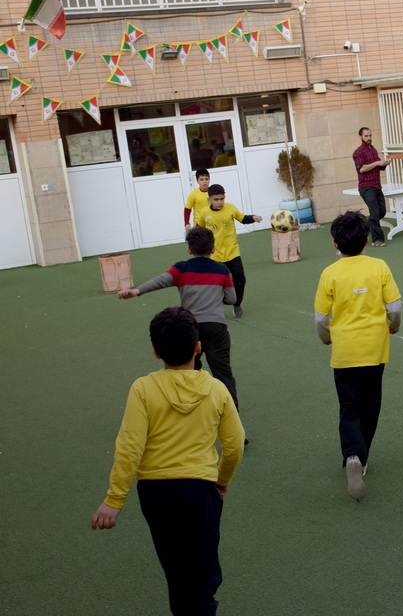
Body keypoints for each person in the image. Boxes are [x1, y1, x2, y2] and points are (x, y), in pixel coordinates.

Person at [90, 306, 244, 615]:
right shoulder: (217, 389)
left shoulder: (143, 388)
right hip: (201, 491)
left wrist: (114, 499)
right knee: (202, 577)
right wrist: (222, 480)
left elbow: (129, 447)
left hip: (156, 494)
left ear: (155, 353)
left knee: (177, 571)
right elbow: (235, 444)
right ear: (198, 347)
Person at [314, 210, 402, 500]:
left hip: (344, 351)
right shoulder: (379, 266)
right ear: (367, 239)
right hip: (375, 350)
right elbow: (395, 308)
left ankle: (352, 455)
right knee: (371, 404)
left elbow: (320, 318)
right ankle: (361, 459)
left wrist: (327, 338)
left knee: (349, 406)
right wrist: (392, 326)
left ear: (334, 244)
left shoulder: (329, 273)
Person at [117, 227, 240, 411]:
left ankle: (191, 413)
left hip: (190, 329)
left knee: (188, 375)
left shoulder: (181, 268)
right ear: (213, 248)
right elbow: (232, 299)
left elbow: (161, 280)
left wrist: (137, 290)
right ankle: (233, 421)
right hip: (216, 328)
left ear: (189, 249)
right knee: (223, 375)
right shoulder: (222, 270)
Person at [194, 184, 262, 318]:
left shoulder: (230, 208)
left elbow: (243, 218)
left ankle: (237, 304)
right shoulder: (204, 213)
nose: (219, 202)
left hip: (232, 252)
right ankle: (215, 307)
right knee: (215, 285)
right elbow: (198, 230)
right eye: (216, 199)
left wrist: (253, 217)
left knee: (240, 279)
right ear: (209, 200)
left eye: (222, 199)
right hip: (214, 255)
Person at [353, 127, 393, 247]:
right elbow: (362, 169)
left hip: (376, 186)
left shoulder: (373, 150)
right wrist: (377, 163)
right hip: (366, 187)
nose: (369, 138)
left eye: (370, 135)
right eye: (366, 136)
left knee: (382, 211)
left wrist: (385, 163)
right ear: (361, 137)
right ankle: (377, 240)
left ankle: (363, 225)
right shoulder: (358, 152)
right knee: (375, 212)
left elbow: (379, 167)